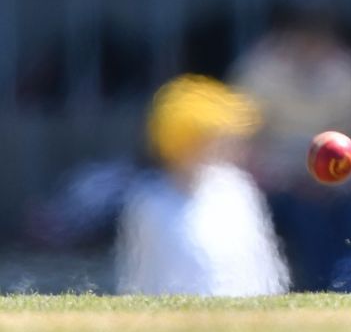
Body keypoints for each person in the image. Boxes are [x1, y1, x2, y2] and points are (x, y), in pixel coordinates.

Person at [228, 0, 351, 291]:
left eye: (319, 26)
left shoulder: (349, 72)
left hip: (336, 183)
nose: (311, 38)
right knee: (306, 215)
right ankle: (318, 288)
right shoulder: (258, 71)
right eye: (301, 26)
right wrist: (290, 175)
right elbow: (242, 145)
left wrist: (339, 179)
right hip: (278, 183)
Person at [115, 75, 288, 296]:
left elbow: (264, 266)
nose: (226, 148)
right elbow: (141, 277)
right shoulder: (150, 203)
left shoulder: (238, 189)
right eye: (212, 139)